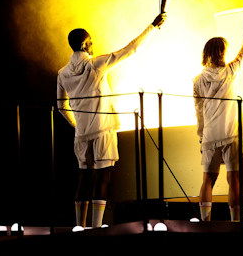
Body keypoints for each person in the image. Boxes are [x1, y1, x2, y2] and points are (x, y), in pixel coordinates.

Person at [57, 12, 166, 228]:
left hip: (81, 133)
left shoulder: (62, 73)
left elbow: (61, 106)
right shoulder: (95, 64)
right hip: (103, 129)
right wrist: (152, 27)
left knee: (83, 177)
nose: (93, 45)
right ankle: (96, 227)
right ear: (86, 43)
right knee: (103, 176)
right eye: (91, 41)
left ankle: (80, 225)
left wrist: (76, 123)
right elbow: (130, 50)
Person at [194, 3, 243, 222]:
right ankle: (235, 222)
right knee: (234, 179)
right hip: (230, 133)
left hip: (210, 135)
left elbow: (199, 111)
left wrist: (201, 135)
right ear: (221, 52)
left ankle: (205, 222)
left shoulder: (198, 80)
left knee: (207, 180)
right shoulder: (230, 72)